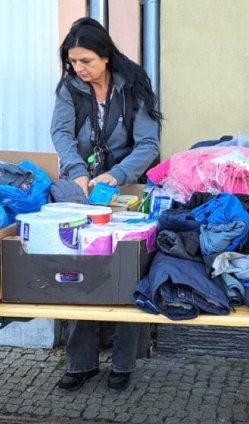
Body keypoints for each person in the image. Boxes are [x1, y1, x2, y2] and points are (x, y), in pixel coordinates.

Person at [50, 17, 162, 392]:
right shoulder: (69, 88)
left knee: (126, 272)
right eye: (73, 62)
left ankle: (124, 363)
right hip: (85, 191)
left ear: (106, 56)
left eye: (86, 62)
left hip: (127, 190)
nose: (79, 70)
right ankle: (80, 362)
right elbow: (62, 133)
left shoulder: (134, 86)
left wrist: (116, 175)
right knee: (84, 269)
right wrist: (76, 171)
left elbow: (149, 144)